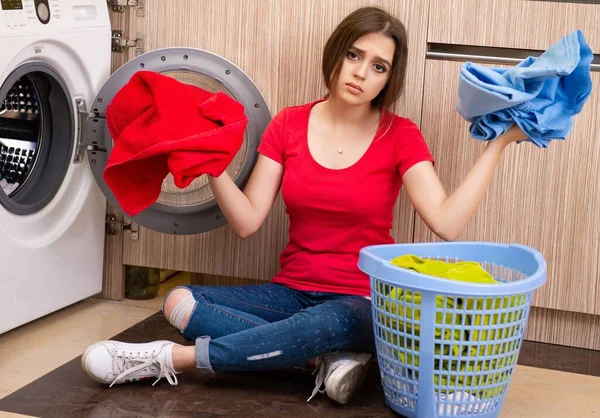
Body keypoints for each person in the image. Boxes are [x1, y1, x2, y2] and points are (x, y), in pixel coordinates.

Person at [80, 6, 527, 405]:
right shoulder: (289, 125)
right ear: (335, 55)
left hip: (362, 300)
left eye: (378, 66)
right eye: (353, 55)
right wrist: (211, 163)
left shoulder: (400, 134)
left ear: (389, 79)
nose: (361, 73)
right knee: (181, 301)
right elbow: (248, 221)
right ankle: (315, 360)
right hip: (290, 293)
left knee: (337, 316)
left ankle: (174, 359)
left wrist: (498, 146)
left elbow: (447, 223)